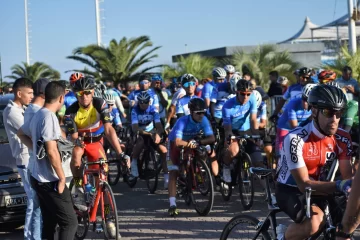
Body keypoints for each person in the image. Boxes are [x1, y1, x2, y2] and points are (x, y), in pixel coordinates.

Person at [275, 84, 353, 240]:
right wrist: (340, 185)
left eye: (339, 113)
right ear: (315, 111)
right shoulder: (295, 139)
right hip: (291, 189)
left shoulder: (343, 138)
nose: (335, 119)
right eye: (329, 112)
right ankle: (283, 236)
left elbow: (347, 178)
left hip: (323, 187)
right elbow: (303, 184)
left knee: (345, 227)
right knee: (314, 224)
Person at [22, 81, 78, 240]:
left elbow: (21, 132)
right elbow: (52, 150)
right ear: (61, 98)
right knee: (70, 223)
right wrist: (61, 177)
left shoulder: (38, 113)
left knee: (50, 222)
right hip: (50, 180)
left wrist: (34, 147)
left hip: (38, 177)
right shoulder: (48, 117)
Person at [64, 76, 130, 211]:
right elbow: (75, 137)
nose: (84, 96)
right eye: (80, 93)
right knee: (76, 153)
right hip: (81, 142)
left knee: (102, 180)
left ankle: (107, 215)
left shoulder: (100, 104)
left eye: (88, 92)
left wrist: (121, 153)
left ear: (93, 92)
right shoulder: (71, 111)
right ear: (76, 95)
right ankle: (78, 187)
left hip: (96, 143)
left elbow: (109, 130)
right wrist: (77, 141)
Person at [2, 77, 40, 240]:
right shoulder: (12, 112)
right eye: (29, 93)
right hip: (25, 159)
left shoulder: (21, 109)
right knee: (33, 200)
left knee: (35, 200)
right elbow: (30, 130)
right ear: (19, 93)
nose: (32, 96)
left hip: (29, 158)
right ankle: (30, 236)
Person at [167, 98, 215, 216]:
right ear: (191, 111)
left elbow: (212, 138)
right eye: (198, 113)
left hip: (190, 141)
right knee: (173, 172)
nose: (201, 115)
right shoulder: (182, 121)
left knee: (200, 151)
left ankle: (195, 171)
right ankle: (172, 205)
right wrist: (190, 144)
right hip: (174, 143)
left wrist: (200, 142)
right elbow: (178, 142)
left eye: (203, 112)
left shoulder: (204, 120)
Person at [222, 79, 261, 183]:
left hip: (246, 129)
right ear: (237, 92)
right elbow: (227, 128)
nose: (245, 97)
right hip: (232, 130)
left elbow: (253, 119)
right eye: (242, 94)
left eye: (248, 94)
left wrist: (256, 136)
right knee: (233, 151)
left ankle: (268, 194)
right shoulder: (227, 106)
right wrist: (230, 135)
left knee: (258, 159)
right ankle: (226, 167)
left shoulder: (252, 98)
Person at [129, 91, 167, 181]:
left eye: (145, 102)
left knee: (163, 150)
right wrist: (150, 134)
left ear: (149, 102)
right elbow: (135, 128)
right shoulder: (135, 110)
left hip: (150, 130)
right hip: (139, 130)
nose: (143, 104)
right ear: (138, 102)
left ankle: (167, 178)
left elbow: (159, 126)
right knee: (140, 141)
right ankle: (134, 162)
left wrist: (158, 134)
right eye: (141, 102)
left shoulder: (153, 110)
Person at [275, 83, 317, 158]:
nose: (305, 102)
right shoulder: (293, 103)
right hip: (285, 127)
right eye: (303, 98)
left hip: (302, 125)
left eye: (308, 100)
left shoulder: (317, 106)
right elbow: (294, 127)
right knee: (282, 153)